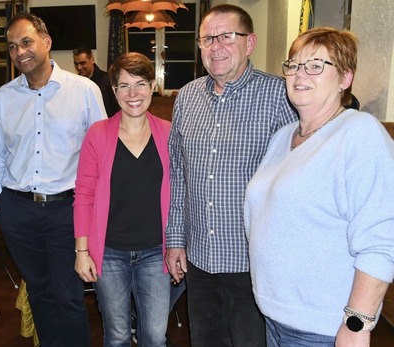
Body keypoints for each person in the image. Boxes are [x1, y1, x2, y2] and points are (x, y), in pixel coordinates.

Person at [245, 27, 394, 347]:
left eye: (315, 65)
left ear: (345, 78)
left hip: (323, 327)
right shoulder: (284, 136)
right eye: (294, 65)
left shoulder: (359, 134)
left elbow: (382, 241)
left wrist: (357, 324)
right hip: (275, 317)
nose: (300, 74)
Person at [164, 5, 298, 347]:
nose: (215, 46)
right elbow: (179, 176)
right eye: (207, 39)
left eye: (227, 36)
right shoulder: (187, 98)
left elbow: (295, 178)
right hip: (200, 258)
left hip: (252, 260)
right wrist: (176, 239)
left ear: (249, 43)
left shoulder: (281, 96)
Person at [0, 12, 106, 347]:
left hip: (67, 210)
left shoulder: (84, 91)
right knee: (39, 293)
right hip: (18, 211)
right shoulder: (4, 97)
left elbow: (101, 156)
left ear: (46, 42)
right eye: (12, 46)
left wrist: (92, 210)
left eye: (26, 41)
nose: (19, 51)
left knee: (68, 296)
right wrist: (1, 206)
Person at [73, 52, 172, 346]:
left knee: (155, 336)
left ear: (152, 87)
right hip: (110, 252)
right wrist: (82, 251)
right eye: (124, 86)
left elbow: (180, 194)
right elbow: (84, 196)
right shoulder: (98, 134)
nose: (133, 94)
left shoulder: (168, 133)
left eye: (140, 83)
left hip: (156, 252)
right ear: (114, 92)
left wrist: (180, 244)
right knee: (116, 335)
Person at [74, 46, 121, 117]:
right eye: (76, 64)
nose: (79, 67)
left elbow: (116, 109)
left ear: (92, 60)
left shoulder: (108, 80)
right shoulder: (75, 84)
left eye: (82, 63)